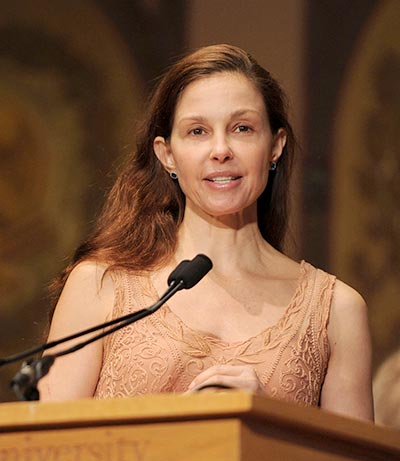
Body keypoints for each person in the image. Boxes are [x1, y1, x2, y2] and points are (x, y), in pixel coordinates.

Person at [38, 44, 373, 421]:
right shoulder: (101, 284)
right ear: (167, 155)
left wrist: (269, 419)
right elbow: (49, 457)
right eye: (197, 131)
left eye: (242, 129)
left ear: (275, 146)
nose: (220, 150)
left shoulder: (335, 311)